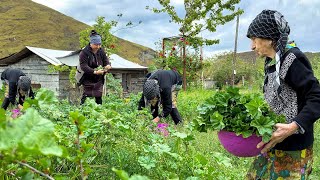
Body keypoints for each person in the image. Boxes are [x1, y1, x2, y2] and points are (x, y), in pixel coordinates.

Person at [246, 10, 320, 179]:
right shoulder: (272, 62)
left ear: (269, 38)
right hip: (273, 143)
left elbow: (316, 97)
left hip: (293, 150)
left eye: (254, 39)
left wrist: (293, 126)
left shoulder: (292, 59)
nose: (252, 46)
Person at [79, 30, 111, 105]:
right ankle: (82, 109)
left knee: (98, 95)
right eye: (96, 45)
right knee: (86, 95)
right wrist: (95, 72)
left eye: (99, 44)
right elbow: (84, 66)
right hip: (87, 76)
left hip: (98, 78)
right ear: (91, 43)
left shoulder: (101, 51)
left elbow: (105, 60)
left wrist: (107, 65)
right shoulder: (84, 53)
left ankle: (99, 111)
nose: (98, 46)